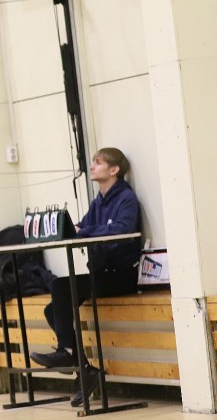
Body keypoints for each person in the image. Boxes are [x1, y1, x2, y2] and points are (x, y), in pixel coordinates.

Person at [29, 147, 141, 406]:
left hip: (122, 276)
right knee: (52, 309)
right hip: (100, 273)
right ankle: (85, 369)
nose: (92, 166)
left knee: (60, 286)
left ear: (114, 170)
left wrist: (86, 230)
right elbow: (80, 228)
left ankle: (68, 354)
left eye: (98, 162)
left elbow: (121, 229)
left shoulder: (126, 198)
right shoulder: (98, 202)